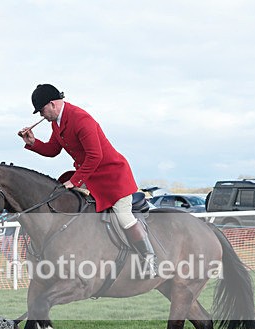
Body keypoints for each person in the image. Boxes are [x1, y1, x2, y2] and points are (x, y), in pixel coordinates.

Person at [18, 83, 157, 277]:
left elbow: (95, 156)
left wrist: (74, 181)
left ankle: (149, 258)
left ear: (52, 104)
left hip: (113, 178)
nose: (41, 115)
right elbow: (53, 150)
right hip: (91, 177)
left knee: (123, 216)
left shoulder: (81, 119)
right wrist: (33, 143)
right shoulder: (57, 122)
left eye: (41, 110)